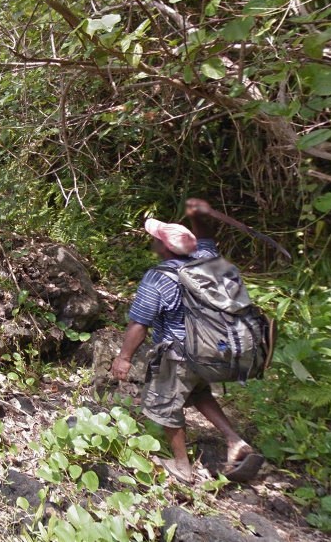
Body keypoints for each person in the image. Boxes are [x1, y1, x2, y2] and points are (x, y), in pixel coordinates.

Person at [110, 197, 264, 484]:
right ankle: (234, 441)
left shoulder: (157, 277)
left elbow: (139, 324)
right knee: (199, 393)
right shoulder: (207, 260)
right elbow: (206, 237)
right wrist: (197, 214)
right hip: (211, 351)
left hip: (178, 355)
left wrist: (124, 357)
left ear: (165, 248)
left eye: (157, 240)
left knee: (165, 406)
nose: (154, 243)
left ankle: (182, 466)